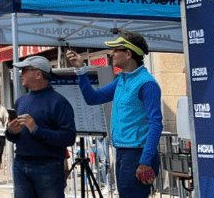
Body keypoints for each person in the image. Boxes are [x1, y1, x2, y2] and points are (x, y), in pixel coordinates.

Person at [67, 32, 163, 198]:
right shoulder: (121, 80)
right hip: (123, 152)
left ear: (128, 53)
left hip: (137, 154)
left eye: (116, 49)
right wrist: (80, 70)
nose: (111, 53)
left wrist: (146, 162)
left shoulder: (147, 83)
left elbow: (156, 124)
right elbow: (93, 98)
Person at [4, 56, 76, 198]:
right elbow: (14, 136)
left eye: (24, 70)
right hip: (21, 163)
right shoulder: (21, 101)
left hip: (48, 166)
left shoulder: (59, 102)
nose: (20, 74)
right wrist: (11, 131)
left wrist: (37, 130)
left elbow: (69, 137)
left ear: (38, 74)